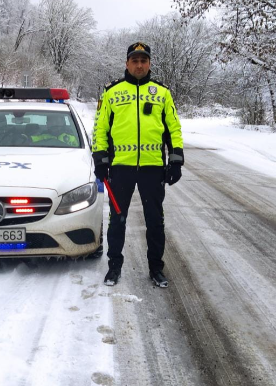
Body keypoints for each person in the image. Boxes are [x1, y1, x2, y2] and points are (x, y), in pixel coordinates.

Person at [92, 42, 184, 288]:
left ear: (149, 63)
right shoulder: (112, 92)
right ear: (127, 63)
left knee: (155, 220)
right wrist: (100, 160)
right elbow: (100, 129)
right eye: (135, 60)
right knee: (117, 220)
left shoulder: (162, 93)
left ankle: (156, 268)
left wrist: (175, 160)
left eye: (144, 60)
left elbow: (173, 129)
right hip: (120, 168)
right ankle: (114, 267)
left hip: (153, 169)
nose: (140, 65)